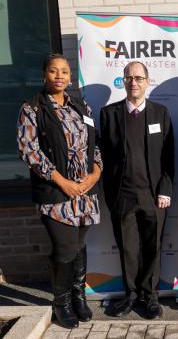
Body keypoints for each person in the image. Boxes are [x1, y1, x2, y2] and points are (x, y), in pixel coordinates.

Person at [17, 53, 102, 329]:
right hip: (56, 193)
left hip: (85, 191)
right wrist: (62, 181)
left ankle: (79, 298)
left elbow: (94, 145)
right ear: (45, 75)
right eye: (54, 71)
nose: (59, 76)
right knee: (64, 248)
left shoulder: (81, 105)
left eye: (64, 72)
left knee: (78, 246)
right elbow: (29, 150)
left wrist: (95, 173)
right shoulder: (33, 108)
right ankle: (61, 303)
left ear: (69, 76)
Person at [100, 61, 174, 319]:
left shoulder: (160, 113)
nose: (134, 82)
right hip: (122, 196)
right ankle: (130, 295)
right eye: (129, 77)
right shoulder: (108, 114)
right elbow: (104, 156)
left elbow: (168, 156)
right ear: (123, 81)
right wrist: (110, 193)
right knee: (128, 248)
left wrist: (165, 190)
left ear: (147, 81)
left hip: (153, 196)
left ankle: (150, 296)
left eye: (139, 78)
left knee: (153, 247)